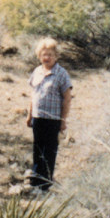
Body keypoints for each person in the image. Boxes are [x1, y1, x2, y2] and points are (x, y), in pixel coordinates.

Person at [26, 38, 72, 191]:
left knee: (50, 149)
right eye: (44, 54)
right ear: (39, 56)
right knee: (37, 147)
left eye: (50, 55)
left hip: (53, 119)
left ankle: (45, 182)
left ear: (56, 56)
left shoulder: (61, 73)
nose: (47, 58)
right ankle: (35, 178)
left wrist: (63, 120)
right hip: (38, 117)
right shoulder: (37, 71)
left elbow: (67, 98)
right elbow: (33, 94)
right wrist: (29, 114)